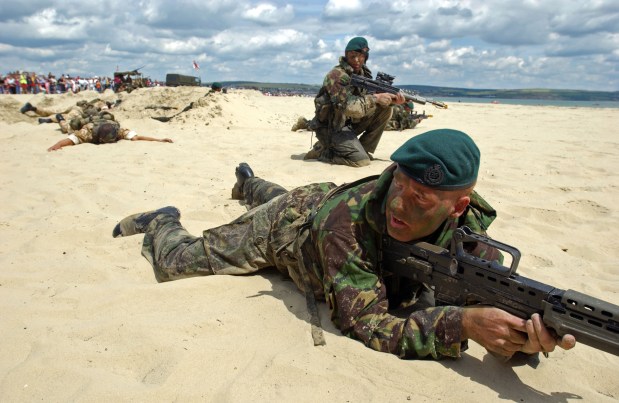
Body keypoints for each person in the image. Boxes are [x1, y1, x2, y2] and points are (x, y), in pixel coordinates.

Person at [112, 129, 575, 360]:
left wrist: (522, 339)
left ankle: (250, 183)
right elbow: (367, 323)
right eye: (398, 183)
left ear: (457, 209)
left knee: (280, 196)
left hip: (316, 206)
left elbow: (492, 304)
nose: (399, 205)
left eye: (421, 200)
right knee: (178, 261)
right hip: (288, 233)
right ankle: (163, 219)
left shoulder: (472, 243)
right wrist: (464, 326)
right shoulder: (346, 225)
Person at [304, 37, 405, 167]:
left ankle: (362, 149)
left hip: (350, 124)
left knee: (386, 109)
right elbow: (348, 107)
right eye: (353, 56)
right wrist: (376, 98)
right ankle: (323, 152)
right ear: (346, 56)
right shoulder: (336, 75)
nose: (357, 60)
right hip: (332, 128)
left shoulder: (364, 74)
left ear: (365, 56)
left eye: (361, 56)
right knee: (361, 161)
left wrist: (391, 101)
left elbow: (367, 101)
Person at [47, 120, 173, 151]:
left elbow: (137, 137)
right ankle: (59, 118)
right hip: (88, 124)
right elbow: (70, 139)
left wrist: (159, 140)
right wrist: (57, 145)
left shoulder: (118, 131)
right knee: (68, 127)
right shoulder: (88, 132)